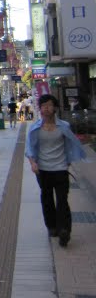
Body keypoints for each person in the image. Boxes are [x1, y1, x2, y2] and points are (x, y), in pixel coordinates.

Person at [25, 93, 86, 247]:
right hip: (43, 170)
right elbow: (30, 148)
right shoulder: (35, 128)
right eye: (43, 106)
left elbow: (71, 144)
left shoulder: (64, 126)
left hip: (60, 168)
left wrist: (70, 161)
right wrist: (33, 163)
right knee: (47, 199)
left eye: (49, 105)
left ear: (55, 108)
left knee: (62, 200)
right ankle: (52, 226)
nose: (46, 109)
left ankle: (64, 230)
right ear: (40, 109)